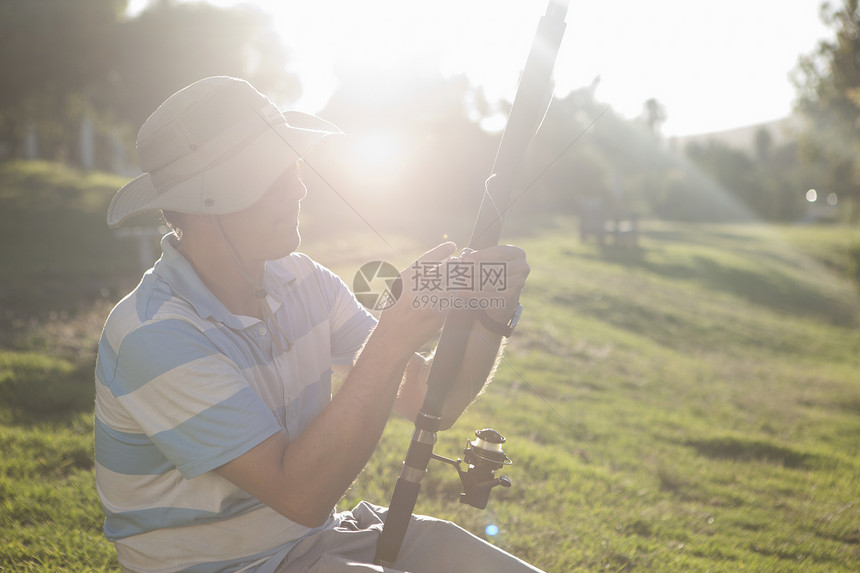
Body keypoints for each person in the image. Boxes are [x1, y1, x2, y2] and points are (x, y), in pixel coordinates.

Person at [95, 76, 540, 573]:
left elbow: (427, 398)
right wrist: (392, 336)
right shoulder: (153, 333)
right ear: (208, 202)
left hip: (319, 542)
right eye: (273, 175)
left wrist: (489, 318)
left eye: (295, 167)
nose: (300, 187)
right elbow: (300, 495)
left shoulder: (304, 279)